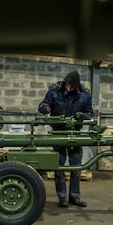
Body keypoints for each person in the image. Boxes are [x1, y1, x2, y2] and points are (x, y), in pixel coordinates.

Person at [38, 70, 93, 208]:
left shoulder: (85, 95)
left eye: (71, 86)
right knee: (59, 165)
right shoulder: (54, 91)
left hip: (75, 134)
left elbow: (89, 112)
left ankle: (74, 196)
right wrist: (46, 108)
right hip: (58, 133)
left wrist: (83, 116)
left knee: (76, 166)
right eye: (67, 85)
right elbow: (42, 105)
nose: (68, 88)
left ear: (76, 86)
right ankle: (62, 197)